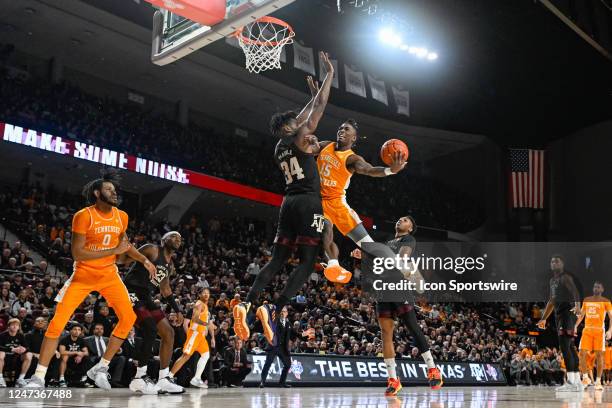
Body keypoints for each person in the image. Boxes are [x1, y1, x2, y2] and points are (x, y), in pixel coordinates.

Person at [233, 52, 335, 345]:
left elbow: (306, 113)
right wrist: (329, 76)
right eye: (295, 120)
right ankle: (275, 309)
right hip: (307, 203)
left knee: (277, 260)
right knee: (307, 261)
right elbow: (318, 108)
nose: (299, 120)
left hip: (287, 204)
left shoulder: (279, 146)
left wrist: (312, 97)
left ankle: (248, 304)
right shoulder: (302, 135)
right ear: (290, 126)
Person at [26, 172, 155, 389]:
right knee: (57, 323)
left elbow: (125, 246)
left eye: (114, 190)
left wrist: (144, 260)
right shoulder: (84, 216)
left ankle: (100, 367)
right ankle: (39, 376)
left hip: (109, 275)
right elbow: (78, 253)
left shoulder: (121, 216)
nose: (113, 193)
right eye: (108, 190)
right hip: (83, 276)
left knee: (128, 318)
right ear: (97, 193)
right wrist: (113, 250)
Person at [351, 216, 442, 396]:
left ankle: (432, 369)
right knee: (386, 334)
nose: (401, 220)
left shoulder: (408, 239)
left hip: (399, 285)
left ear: (410, 228)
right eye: (400, 219)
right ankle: (393, 379)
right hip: (383, 288)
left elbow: (403, 257)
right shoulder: (387, 242)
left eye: (406, 220)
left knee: (412, 327)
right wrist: (364, 256)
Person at [315, 118, 406, 284]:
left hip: (338, 204)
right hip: (319, 202)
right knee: (326, 231)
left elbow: (370, 170)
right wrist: (307, 141)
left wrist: (390, 170)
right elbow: (306, 148)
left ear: (354, 138)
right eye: (341, 128)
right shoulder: (324, 145)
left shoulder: (352, 159)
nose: (342, 131)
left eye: (347, 129)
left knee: (368, 245)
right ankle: (334, 265)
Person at [121, 231, 184, 394]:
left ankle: (163, 379)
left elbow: (165, 289)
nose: (177, 239)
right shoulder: (151, 249)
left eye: (179, 238)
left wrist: (177, 310)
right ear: (163, 239)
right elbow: (127, 258)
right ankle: (139, 377)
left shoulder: (170, 265)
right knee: (150, 327)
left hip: (146, 296)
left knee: (168, 332)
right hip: (130, 289)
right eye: (173, 236)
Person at [537, 255, 582, 392]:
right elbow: (551, 301)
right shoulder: (552, 281)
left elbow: (575, 291)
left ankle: (571, 382)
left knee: (564, 347)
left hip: (567, 313)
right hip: (559, 315)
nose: (553, 263)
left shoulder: (565, 277)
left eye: (556, 261)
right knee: (570, 347)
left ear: (562, 263)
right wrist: (543, 318)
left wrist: (578, 306)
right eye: (551, 261)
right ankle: (577, 382)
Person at [168, 287, 210, 388]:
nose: (206, 295)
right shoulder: (199, 304)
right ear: (199, 295)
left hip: (200, 335)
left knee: (205, 355)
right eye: (204, 293)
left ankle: (196, 378)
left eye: (207, 293)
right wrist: (207, 324)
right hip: (195, 333)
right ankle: (169, 377)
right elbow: (195, 319)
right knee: (186, 356)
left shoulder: (205, 305)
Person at [574, 281, 612, 390]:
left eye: (598, 287)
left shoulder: (606, 301)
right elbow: (581, 315)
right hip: (587, 330)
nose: (596, 288)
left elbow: (611, 317)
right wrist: (576, 325)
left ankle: (598, 381)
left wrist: (610, 330)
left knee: (600, 356)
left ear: (602, 290)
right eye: (595, 286)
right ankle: (585, 378)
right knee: (581, 353)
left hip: (599, 330)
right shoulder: (587, 300)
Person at [83, 323, 126, 387]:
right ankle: (90, 380)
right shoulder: (86, 340)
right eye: (97, 329)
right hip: (96, 359)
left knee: (121, 358)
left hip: (107, 360)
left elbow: (118, 351)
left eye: (101, 329)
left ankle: (115, 381)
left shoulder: (108, 339)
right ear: (93, 330)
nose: (99, 330)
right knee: (97, 359)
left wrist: (119, 350)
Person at [260, 306, 292, 388]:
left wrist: (304, 334)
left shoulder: (288, 323)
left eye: (284, 311)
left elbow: (293, 333)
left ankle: (282, 383)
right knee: (268, 364)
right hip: (273, 346)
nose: (283, 313)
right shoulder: (275, 321)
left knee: (287, 364)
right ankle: (262, 382)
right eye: (281, 311)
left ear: (287, 313)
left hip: (282, 348)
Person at [0, 318, 30, 387]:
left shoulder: (20, 335)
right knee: (1, 353)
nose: (15, 326)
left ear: (19, 327)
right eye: (13, 325)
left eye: (17, 325)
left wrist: (23, 349)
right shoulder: (2, 335)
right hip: (4, 356)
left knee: (29, 354)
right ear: (8, 326)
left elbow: (27, 348)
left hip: (16, 357)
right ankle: (0, 378)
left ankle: (21, 379)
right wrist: (12, 349)